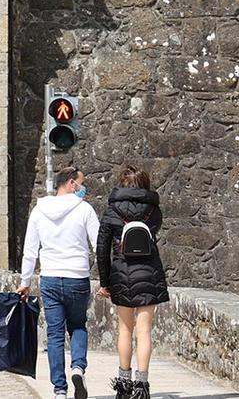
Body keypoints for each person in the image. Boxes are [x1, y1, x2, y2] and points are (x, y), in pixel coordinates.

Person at [16, 167, 100, 399]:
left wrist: (25, 281)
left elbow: (30, 250)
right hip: (77, 277)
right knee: (78, 325)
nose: (84, 188)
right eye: (81, 183)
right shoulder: (85, 210)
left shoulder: (39, 210)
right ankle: (78, 368)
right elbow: (98, 244)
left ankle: (59, 390)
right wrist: (108, 278)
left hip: (50, 277)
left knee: (54, 334)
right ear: (72, 184)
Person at [96, 165, 169, 399]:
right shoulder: (153, 210)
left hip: (121, 272)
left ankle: (123, 384)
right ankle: (142, 385)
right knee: (145, 330)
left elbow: (101, 249)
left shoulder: (111, 210)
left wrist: (105, 281)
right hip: (149, 271)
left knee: (125, 330)